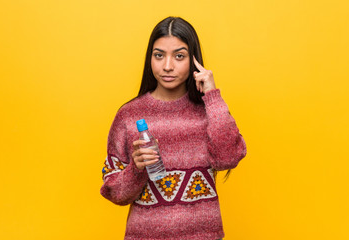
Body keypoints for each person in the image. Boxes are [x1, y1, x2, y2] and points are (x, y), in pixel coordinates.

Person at [100, 16, 247, 240]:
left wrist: (212, 96)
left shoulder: (210, 109)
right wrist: (136, 169)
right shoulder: (129, 115)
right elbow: (114, 192)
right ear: (150, 58)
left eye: (179, 56)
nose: (168, 66)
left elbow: (228, 158)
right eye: (159, 55)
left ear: (194, 60)